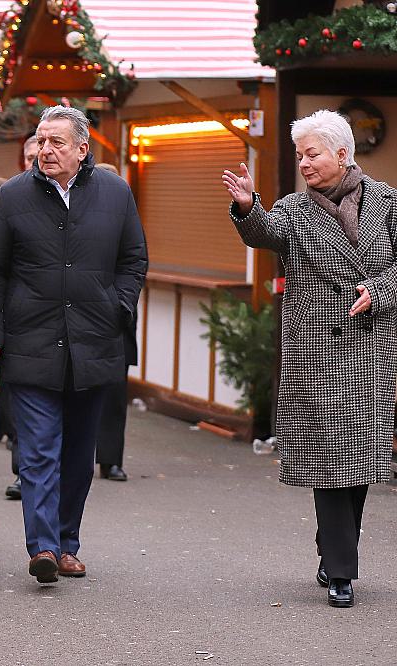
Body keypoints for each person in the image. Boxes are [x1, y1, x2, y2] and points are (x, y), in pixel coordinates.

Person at [223, 109, 396, 609]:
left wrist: (379, 290)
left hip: (371, 348)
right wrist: (247, 205)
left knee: (358, 465)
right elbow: (264, 233)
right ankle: (342, 573)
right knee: (330, 463)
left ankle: (333, 547)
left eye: (312, 153)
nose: (304, 163)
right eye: (299, 155)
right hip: (317, 351)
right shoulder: (296, 209)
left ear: (343, 154)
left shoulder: (387, 203)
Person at [0, 106, 147, 584]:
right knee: (39, 452)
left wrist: (117, 306)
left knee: (77, 456)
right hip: (30, 340)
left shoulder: (114, 192)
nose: (46, 150)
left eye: (57, 142)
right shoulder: (11, 197)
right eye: (41, 141)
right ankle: (44, 547)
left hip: (93, 343)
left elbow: (134, 258)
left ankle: (68, 542)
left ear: (82, 149)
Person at [92, 162, 134, 483]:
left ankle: (111, 459)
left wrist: (120, 304)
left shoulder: (124, 219)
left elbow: (134, 263)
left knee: (114, 395)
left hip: (114, 321)